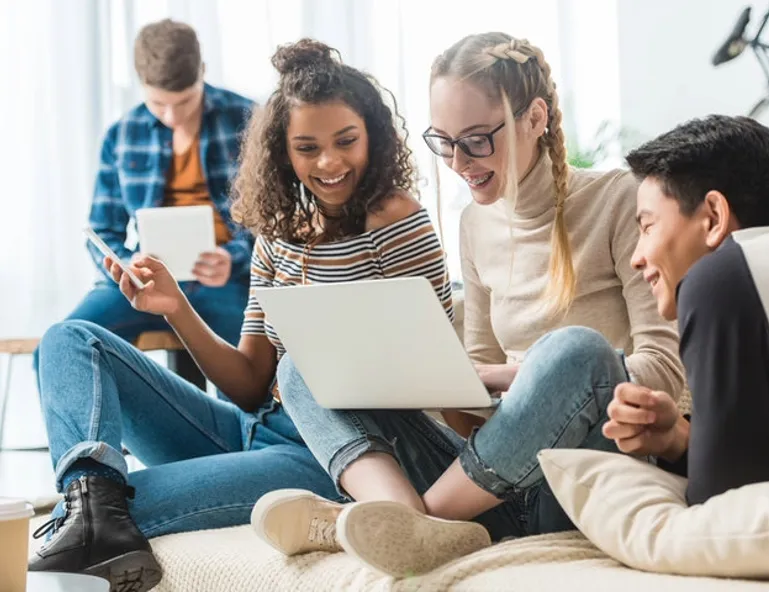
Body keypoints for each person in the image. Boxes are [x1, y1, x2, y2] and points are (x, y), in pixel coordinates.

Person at [251, 32, 686, 578]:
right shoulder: (475, 223)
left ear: (535, 117)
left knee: (576, 352)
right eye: (445, 141)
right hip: (492, 484)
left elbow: (663, 373)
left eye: (478, 140)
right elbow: (470, 407)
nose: (459, 162)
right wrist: (421, 378)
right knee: (301, 365)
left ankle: (405, 519)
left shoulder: (619, 199)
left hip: (582, 472)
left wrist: (512, 375)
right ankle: (403, 518)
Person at [28, 39, 452, 592]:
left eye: (345, 141)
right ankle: (90, 497)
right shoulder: (278, 237)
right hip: (248, 427)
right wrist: (175, 308)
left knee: (128, 506)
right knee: (70, 340)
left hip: (321, 452)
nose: (328, 162)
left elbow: (430, 369)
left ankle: (91, 515)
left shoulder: (396, 221)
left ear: (371, 132)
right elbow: (250, 385)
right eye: (307, 147)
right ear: (284, 151)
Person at [604, 114, 769, 504]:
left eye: (647, 227)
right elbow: (750, 475)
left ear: (713, 218)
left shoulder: (720, 279)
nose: (636, 257)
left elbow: (726, 500)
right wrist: (679, 438)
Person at [45, 19, 254, 372]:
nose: (172, 116)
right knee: (61, 348)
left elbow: (278, 224)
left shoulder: (249, 119)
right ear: (140, 84)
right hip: (146, 282)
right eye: (158, 103)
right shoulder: (121, 135)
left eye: (185, 101)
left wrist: (232, 259)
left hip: (227, 282)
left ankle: (243, 429)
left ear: (202, 71)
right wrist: (125, 264)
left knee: (254, 367)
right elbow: (102, 231)